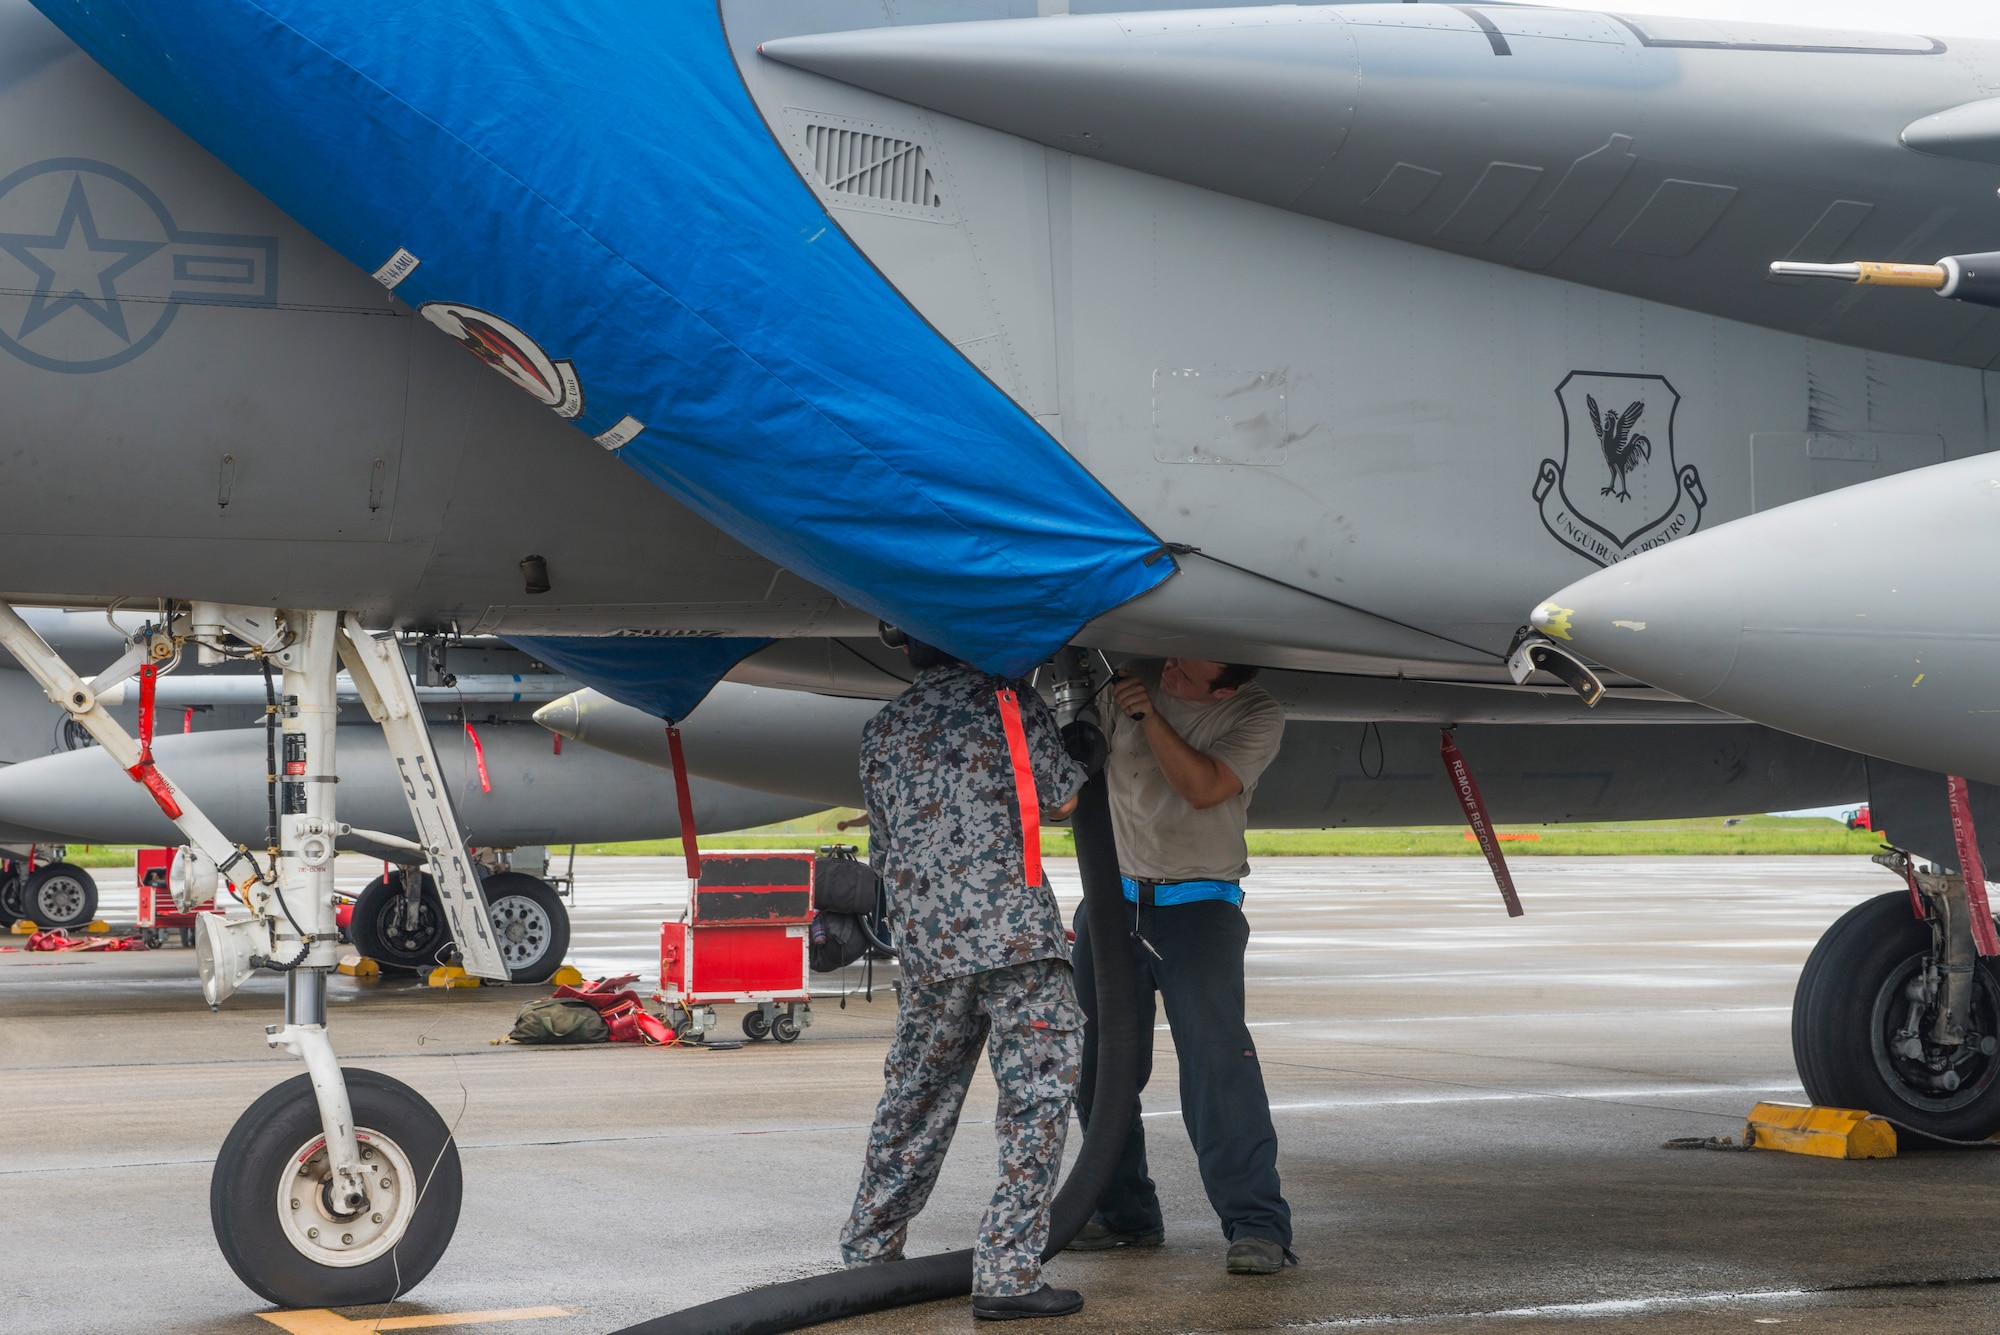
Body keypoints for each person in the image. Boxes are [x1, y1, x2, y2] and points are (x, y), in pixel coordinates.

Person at [840, 636, 1091, 1321]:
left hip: (930, 948)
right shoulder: (1010, 699)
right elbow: (1064, 800)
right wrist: (1085, 748)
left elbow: (884, 849)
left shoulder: (882, 728)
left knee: (915, 1101)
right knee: (1035, 1102)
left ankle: (869, 1251)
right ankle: (1007, 1273)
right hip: (1014, 941)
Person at [1067, 657, 1293, 1274]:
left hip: (1198, 908)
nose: (1171, 671)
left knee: (1218, 1068)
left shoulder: (1254, 712)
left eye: (1188, 673)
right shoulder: (1132, 683)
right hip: (1113, 903)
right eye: (1171, 660)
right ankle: (1124, 1215)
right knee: (1096, 1068)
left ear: (1226, 683)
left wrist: (1149, 714)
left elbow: (1201, 787)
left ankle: (1257, 1226)